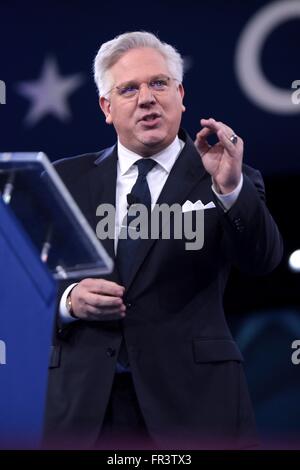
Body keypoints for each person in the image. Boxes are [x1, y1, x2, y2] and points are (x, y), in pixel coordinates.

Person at [43, 31, 283, 450]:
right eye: (129, 89)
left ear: (181, 94)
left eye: (159, 83)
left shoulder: (224, 175)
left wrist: (229, 190)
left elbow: (263, 260)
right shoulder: (63, 181)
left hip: (195, 405)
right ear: (107, 107)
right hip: (84, 411)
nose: (147, 98)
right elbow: (23, 283)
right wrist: (68, 301)